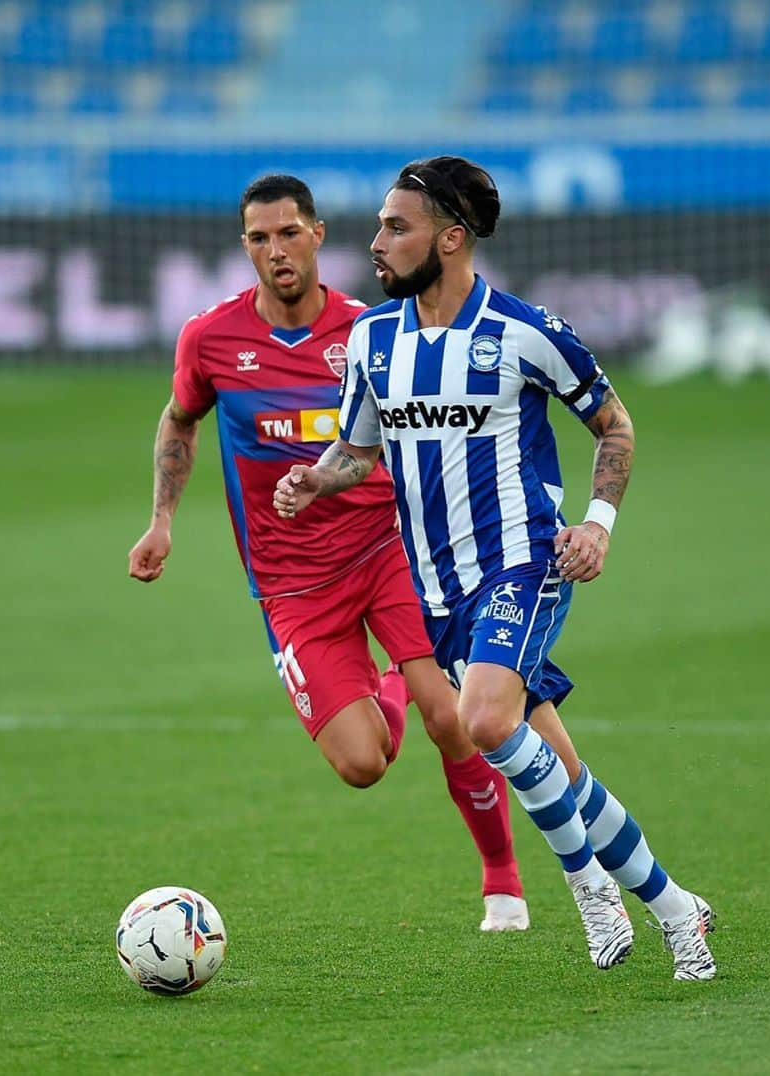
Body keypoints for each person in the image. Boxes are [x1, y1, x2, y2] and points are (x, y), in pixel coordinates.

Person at [273, 157, 716, 981]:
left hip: (525, 563)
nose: (376, 243)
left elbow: (614, 427)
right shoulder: (372, 340)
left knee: (481, 721)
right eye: (378, 224)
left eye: (395, 228)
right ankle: (675, 906)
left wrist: (599, 524)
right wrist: (315, 477)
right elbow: (359, 449)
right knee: (565, 775)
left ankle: (586, 885)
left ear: (449, 238)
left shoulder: (524, 331)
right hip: (438, 588)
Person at [128, 174, 528, 933]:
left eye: (288, 233)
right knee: (361, 765)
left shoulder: (372, 332)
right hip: (290, 586)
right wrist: (161, 522)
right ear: (244, 247)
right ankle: (394, 682)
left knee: (455, 717)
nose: (275, 250)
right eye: (258, 238)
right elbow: (179, 421)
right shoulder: (210, 339)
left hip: (387, 552)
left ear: (316, 235)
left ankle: (502, 880)